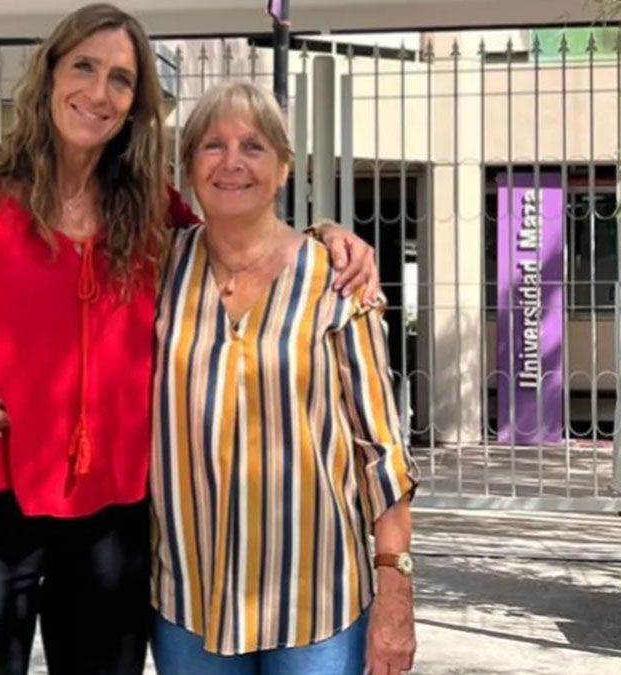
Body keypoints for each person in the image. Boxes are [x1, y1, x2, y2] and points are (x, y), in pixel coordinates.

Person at [0, 4, 380, 675]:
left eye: (121, 79)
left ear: (136, 103)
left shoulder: (151, 209)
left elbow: (237, 230)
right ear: (49, 73)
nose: (99, 91)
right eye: (84, 66)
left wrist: (324, 234)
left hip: (112, 523)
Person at [145, 80, 418, 675]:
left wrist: (396, 592)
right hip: (189, 597)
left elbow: (381, 450)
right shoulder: (158, 267)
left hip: (315, 604)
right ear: (189, 166)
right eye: (213, 145)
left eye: (254, 146)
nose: (233, 162)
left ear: (284, 166)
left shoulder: (336, 278)